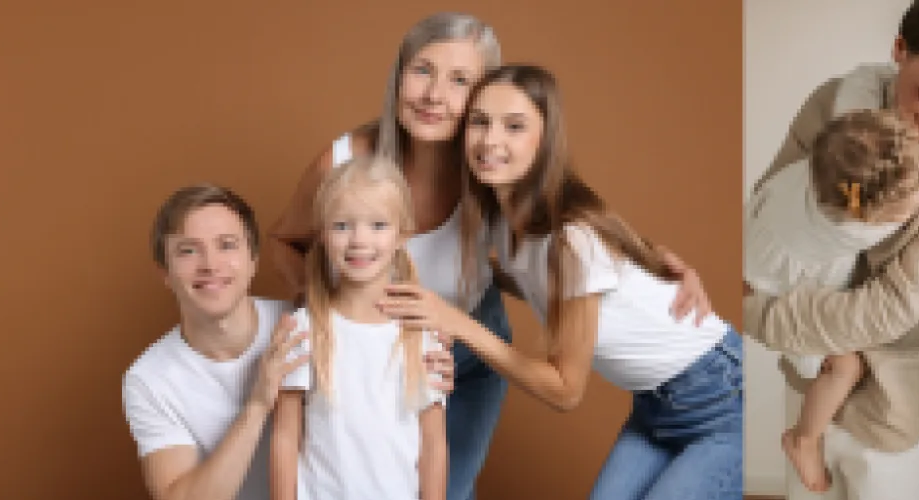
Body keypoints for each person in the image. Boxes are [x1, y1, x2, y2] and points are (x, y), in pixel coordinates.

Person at [267, 14, 714, 498]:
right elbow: (284, 241)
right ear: (398, 76)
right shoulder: (343, 162)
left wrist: (660, 265)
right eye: (422, 71)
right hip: (370, 349)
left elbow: (575, 224)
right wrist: (334, 320)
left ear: (484, 96)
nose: (435, 95)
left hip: (471, 347)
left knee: (449, 488)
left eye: (460, 81)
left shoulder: (491, 165)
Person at [382, 65, 744, 500]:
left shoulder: (570, 239)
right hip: (655, 405)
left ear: (545, 138)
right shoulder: (503, 217)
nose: (490, 141)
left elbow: (566, 390)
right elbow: (544, 278)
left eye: (514, 127)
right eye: (480, 122)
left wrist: (458, 323)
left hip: (721, 398)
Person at [743, 0, 919, 498]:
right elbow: (769, 208)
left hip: (891, 412)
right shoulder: (833, 106)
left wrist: (756, 313)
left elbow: (889, 309)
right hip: (808, 387)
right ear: (899, 49)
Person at [745, 108, 919, 492]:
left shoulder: (826, 162)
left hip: (758, 241)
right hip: (781, 289)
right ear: (870, 218)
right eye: (913, 205)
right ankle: (804, 438)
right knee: (842, 368)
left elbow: (858, 94)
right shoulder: (851, 231)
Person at [270, 158, 448, 500]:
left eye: (378, 224)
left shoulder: (419, 333)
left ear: (402, 235)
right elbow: (285, 437)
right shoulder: (305, 328)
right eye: (342, 226)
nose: (359, 240)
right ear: (322, 235)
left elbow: (434, 445)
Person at [122, 183, 307, 500]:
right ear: (165, 273)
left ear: (253, 261)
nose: (210, 264)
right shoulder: (148, 380)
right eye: (188, 250)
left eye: (227, 245)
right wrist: (257, 405)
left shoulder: (302, 328)